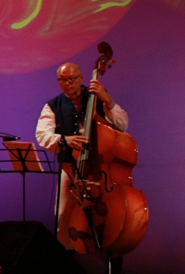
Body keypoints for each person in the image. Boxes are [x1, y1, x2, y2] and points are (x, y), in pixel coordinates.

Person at [34, 61, 129, 250]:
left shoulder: (99, 98)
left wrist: (107, 100)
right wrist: (65, 140)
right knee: (62, 215)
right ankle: (67, 262)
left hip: (100, 167)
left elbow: (122, 125)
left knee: (111, 215)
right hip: (71, 167)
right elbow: (42, 135)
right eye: (62, 80)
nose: (67, 84)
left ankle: (113, 262)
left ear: (81, 78)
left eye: (71, 79)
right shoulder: (53, 105)